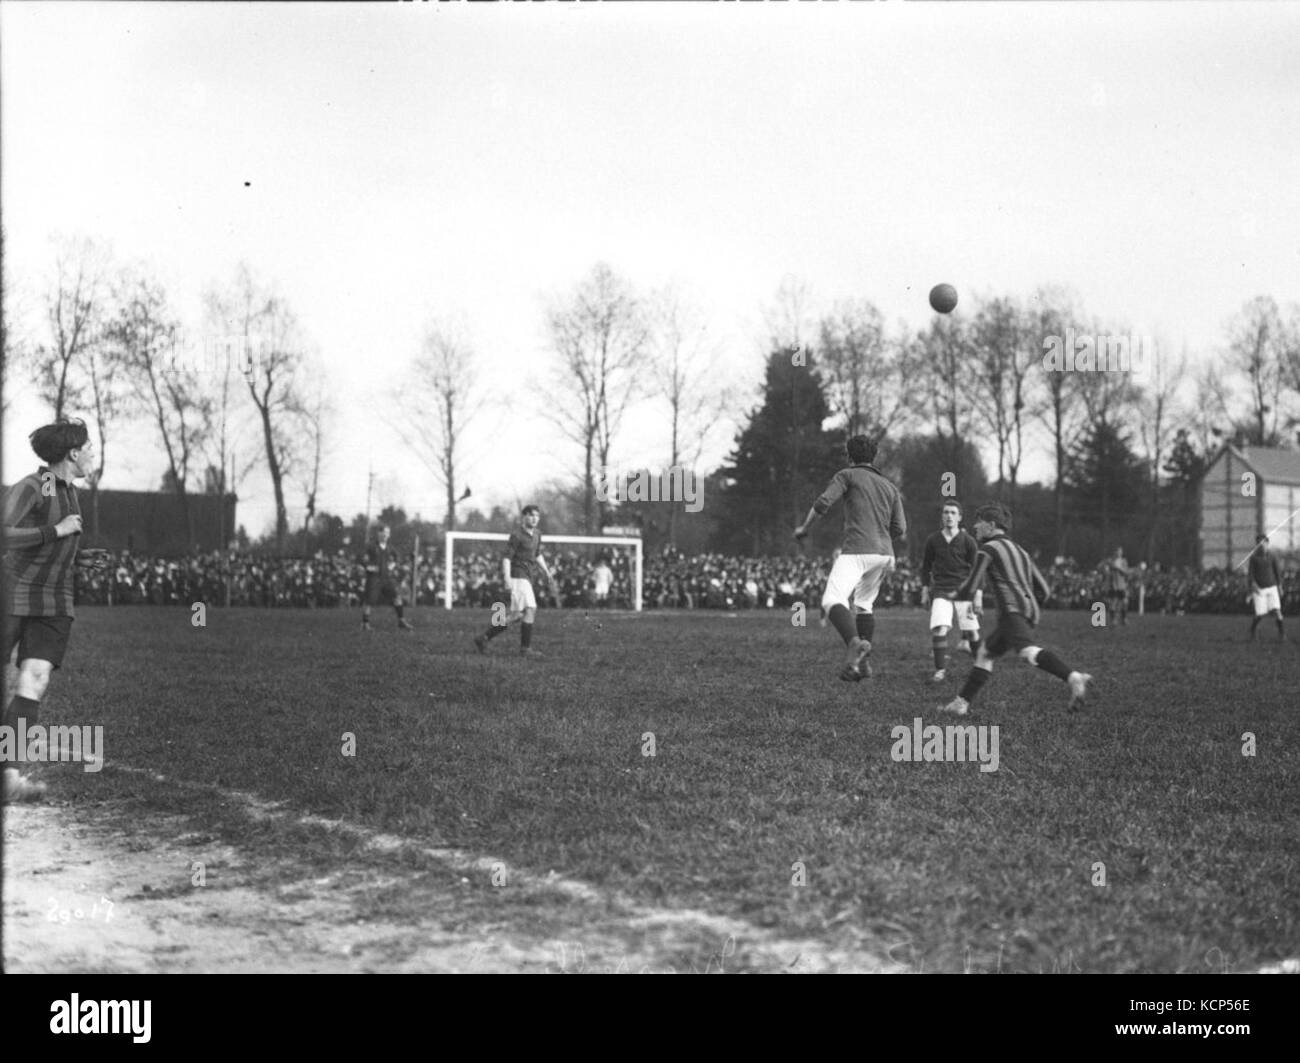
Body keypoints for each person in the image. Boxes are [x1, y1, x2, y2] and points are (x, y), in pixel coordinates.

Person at [2, 418, 109, 802]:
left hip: (54, 601)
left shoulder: (70, 491)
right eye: (90, 447)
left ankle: (8, 776)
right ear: (73, 453)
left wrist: (78, 559)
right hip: (13, 595)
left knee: (35, 678)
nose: (94, 454)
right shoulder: (35, 485)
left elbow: (55, 539)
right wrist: (56, 532)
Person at [940, 502, 1092, 717]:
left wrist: (952, 595)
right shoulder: (1021, 551)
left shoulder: (988, 549)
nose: (975, 527)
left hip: (1011, 612)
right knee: (985, 653)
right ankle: (961, 703)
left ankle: (1074, 677)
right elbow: (1045, 591)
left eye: (979, 523)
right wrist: (1024, 601)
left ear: (991, 526)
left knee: (1026, 651)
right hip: (1028, 611)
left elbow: (972, 586)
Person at [794, 435, 906, 682]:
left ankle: (854, 644)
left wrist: (804, 528)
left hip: (858, 549)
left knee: (832, 599)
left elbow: (823, 502)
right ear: (874, 457)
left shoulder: (847, 475)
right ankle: (863, 665)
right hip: (885, 554)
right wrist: (882, 542)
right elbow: (900, 528)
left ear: (849, 456)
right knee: (864, 604)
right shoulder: (890, 487)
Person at [474, 504, 556, 658]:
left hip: (527, 577)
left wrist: (546, 570)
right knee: (530, 609)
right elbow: (506, 557)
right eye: (531, 515)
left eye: (537, 516)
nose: (534, 518)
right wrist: (507, 578)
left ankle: (483, 638)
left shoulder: (537, 534)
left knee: (517, 615)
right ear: (523, 517)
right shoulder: (517, 535)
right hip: (518, 576)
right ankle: (525, 649)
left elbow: (537, 554)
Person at [920, 500, 983, 682]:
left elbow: (977, 570)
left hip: (964, 592)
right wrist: (925, 590)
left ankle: (981, 668)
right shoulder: (933, 540)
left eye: (953, 513)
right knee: (939, 628)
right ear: (942, 516)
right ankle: (940, 670)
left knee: (972, 633)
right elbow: (925, 567)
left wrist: (977, 596)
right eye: (946, 512)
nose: (949, 516)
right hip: (941, 590)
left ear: (960, 517)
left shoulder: (968, 541)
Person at [360, 525, 413, 631]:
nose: (385, 535)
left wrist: (393, 564)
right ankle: (365, 624)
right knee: (369, 600)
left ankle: (401, 621)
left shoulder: (390, 547)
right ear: (378, 534)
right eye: (383, 532)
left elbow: (397, 558)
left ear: (389, 535)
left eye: (387, 533)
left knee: (397, 597)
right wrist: (368, 566)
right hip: (374, 578)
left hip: (386, 578)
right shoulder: (371, 546)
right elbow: (362, 559)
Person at [1247, 534, 1285, 642]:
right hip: (1259, 589)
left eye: (1263, 543)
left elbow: (1277, 572)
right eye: (1259, 543)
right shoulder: (1253, 558)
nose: (1261, 545)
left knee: (1277, 611)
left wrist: (1280, 587)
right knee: (1260, 614)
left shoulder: (1273, 556)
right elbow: (1251, 574)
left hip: (1272, 587)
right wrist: (1253, 585)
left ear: (1267, 543)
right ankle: (1253, 630)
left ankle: (1282, 634)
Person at [1101, 545, 1130, 626]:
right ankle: (1113, 620)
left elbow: (1126, 572)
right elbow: (1103, 568)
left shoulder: (1123, 561)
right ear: (1115, 552)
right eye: (1118, 551)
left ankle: (1124, 618)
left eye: (1120, 551)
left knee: (1124, 602)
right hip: (1113, 585)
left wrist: (1118, 568)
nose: (1119, 553)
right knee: (1113, 603)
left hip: (1122, 585)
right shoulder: (1110, 561)